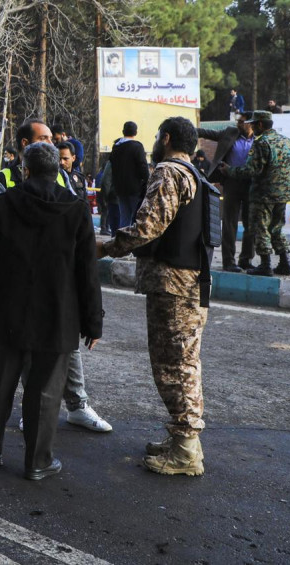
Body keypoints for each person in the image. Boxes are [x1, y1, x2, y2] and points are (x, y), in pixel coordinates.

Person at [0, 142, 101, 481]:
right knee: (45, 392)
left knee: (0, 384)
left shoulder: (2, 206)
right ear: (58, 170)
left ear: (25, 170)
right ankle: (38, 462)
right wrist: (93, 322)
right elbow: (87, 272)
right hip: (58, 318)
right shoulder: (76, 209)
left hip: (9, 312)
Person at [98, 117, 211, 476]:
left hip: (172, 285)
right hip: (191, 282)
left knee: (173, 366)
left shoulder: (168, 172)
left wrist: (107, 247)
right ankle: (183, 439)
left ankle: (186, 450)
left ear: (165, 138)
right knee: (183, 362)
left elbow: (148, 227)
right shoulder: (194, 174)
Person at [0, 118, 111, 433]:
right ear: (26, 145)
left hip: (57, 283)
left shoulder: (62, 177)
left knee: (67, 348)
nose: (52, 143)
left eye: (53, 139)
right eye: (45, 139)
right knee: (28, 351)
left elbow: (75, 231)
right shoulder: (2, 181)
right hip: (20, 285)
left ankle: (78, 405)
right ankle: (34, 410)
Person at [221, 110, 290, 277]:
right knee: (276, 228)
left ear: (260, 125)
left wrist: (229, 171)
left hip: (263, 194)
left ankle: (265, 264)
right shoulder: (287, 141)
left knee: (260, 228)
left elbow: (251, 170)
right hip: (283, 193)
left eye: (254, 124)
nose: (252, 127)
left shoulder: (262, 143)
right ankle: (284, 263)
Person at [198, 114, 257, 272]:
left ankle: (246, 259)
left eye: (242, 121)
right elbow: (208, 133)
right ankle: (229, 261)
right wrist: (189, 130)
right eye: (238, 121)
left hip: (252, 184)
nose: (238, 123)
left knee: (250, 223)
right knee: (229, 223)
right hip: (231, 182)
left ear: (251, 123)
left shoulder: (260, 138)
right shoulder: (230, 132)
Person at [111, 121, 149, 227]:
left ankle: (122, 240)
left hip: (119, 188)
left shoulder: (116, 147)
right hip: (135, 188)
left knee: (124, 217)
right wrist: (148, 181)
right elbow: (143, 167)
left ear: (123, 131)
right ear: (136, 132)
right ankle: (134, 242)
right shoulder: (137, 147)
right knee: (137, 217)